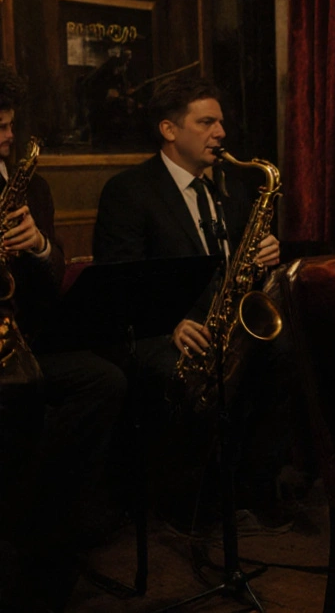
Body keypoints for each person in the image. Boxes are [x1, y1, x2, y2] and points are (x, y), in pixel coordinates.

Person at [92, 76, 285, 526]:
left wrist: (263, 256)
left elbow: (235, 269)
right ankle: (187, 497)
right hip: (162, 329)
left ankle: (254, 484)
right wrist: (173, 322)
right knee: (193, 375)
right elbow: (120, 282)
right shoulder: (129, 190)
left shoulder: (230, 190)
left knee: (285, 354)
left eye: (221, 122)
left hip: (224, 321)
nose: (220, 132)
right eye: (206, 122)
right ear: (169, 130)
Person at [0, 63, 127, 612]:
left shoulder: (33, 185)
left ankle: (41, 518)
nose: (6, 136)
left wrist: (39, 247)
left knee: (105, 379)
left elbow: (52, 280)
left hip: (23, 341)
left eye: (8, 124)